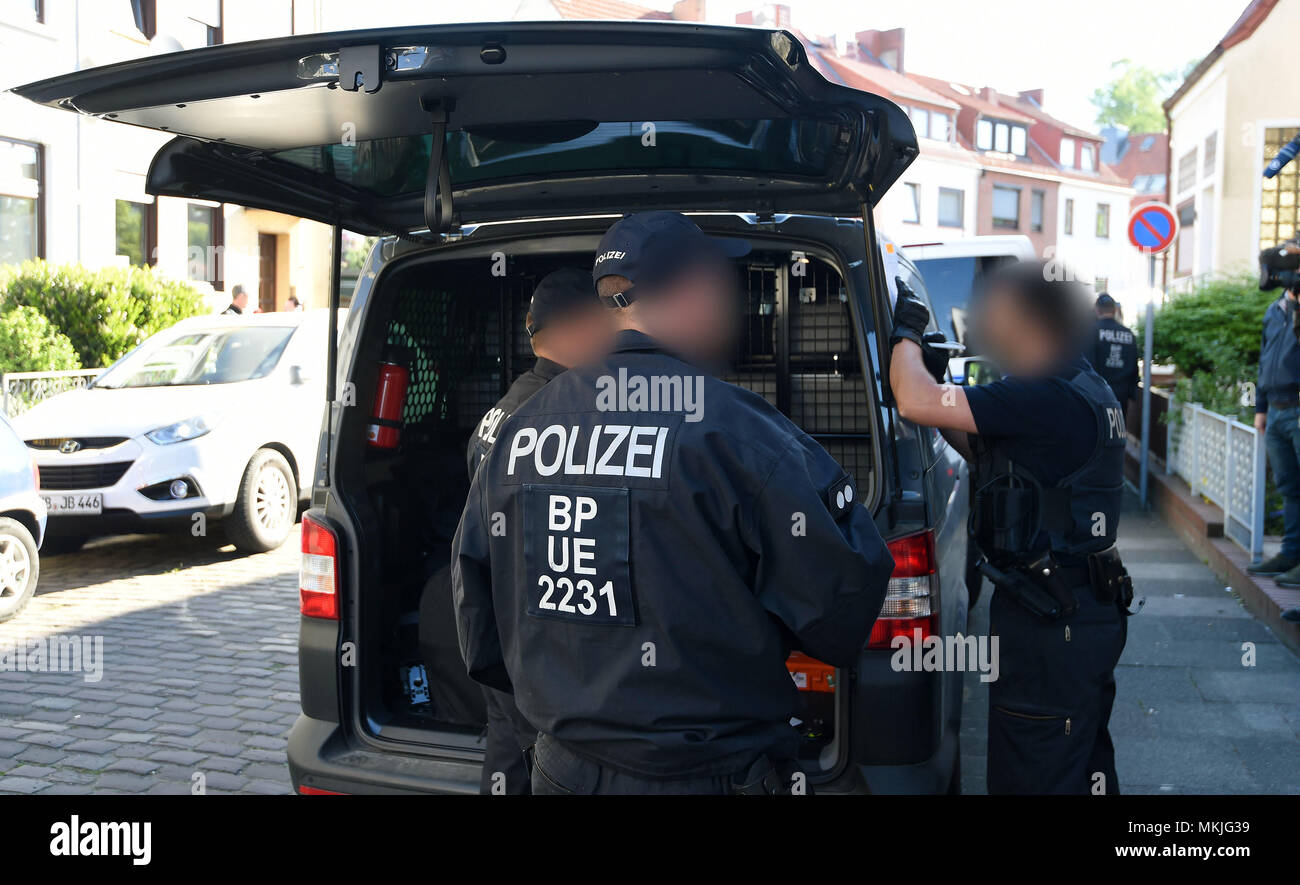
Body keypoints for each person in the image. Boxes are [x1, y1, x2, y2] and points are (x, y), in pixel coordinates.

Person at [451, 211, 893, 795]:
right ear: (690, 293)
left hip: (561, 771)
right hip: (709, 775)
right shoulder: (739, 430)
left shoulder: (520, 428)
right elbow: (843, 603)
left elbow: (478, 624)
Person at [889, 260, 1132, 795]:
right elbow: (990, 456)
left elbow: (915, 401)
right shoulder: (1081, 386)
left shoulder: (1043, 395)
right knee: (1077, 760)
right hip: (1079, 609)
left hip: (1052, 617)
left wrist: (906, 332)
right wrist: (932, 381)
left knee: (1036, 768)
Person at [464, 266, 612, 795]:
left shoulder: (501, 412)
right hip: (550, 646)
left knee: (507, 752)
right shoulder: (565, 418)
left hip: (507, 639)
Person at [1248, 251, 1300, 585]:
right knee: (1289, 487)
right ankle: (1291, 554)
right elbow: (1265, 359)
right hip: (1277, 411)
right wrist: (1261, 408)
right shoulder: (1274, 311)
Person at [1092, 293, 1138, 418]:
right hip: (1121, 396)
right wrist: (1132, 393)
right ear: (1114, 310)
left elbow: (1088, 365)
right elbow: (1134, 367)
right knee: (1118, 432)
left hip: (1097, 396)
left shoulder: (1092, 332)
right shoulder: (1129, 334)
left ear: (1097, 310)